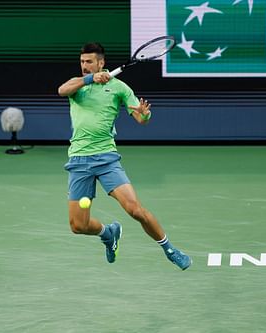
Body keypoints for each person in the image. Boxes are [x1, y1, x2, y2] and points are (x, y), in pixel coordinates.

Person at [57, 42, 191, 270]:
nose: (84, 66)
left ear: (101, 63)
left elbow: (140, 119)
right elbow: (62, 90)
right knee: (78, 225)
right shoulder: (78, 85)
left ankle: (170, 249)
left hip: (106, 158)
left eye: (89, 62)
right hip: (79, 160)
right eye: (82, 62)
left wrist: (145, 115)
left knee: (135, 210)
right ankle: (108, 233)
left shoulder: (119, 88)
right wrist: (91, 79)